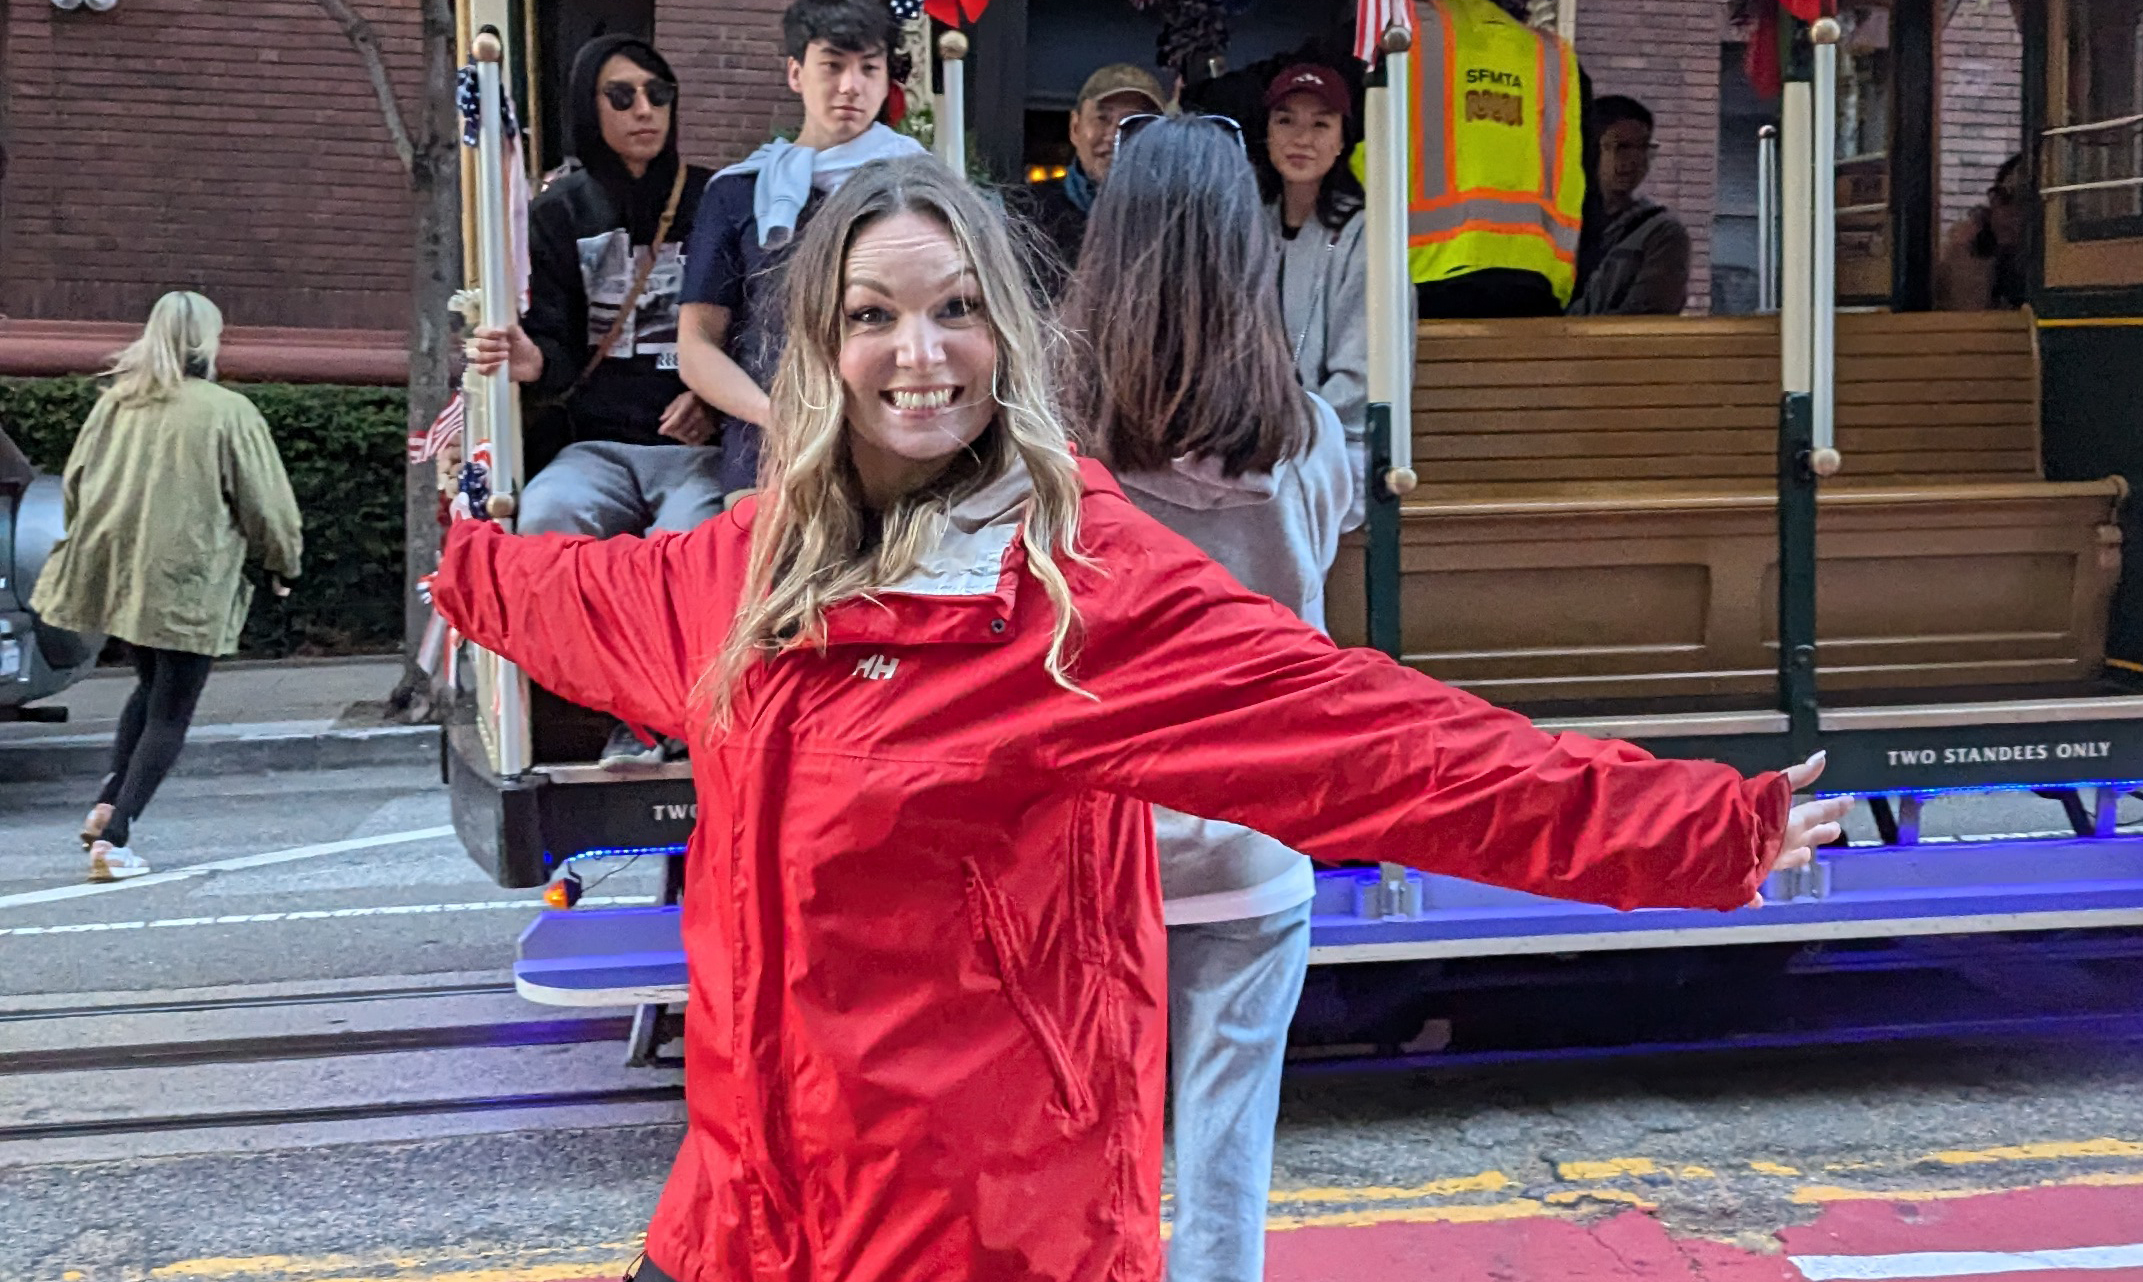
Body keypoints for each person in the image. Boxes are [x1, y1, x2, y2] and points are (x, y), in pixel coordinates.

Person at [428, 157, 1850, 1282]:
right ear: (822, 344)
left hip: (979, 1232)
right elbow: (568, 596)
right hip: (744, 1213)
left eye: (955, 308)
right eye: (874, 313)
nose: (918, 353)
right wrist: (464, 553)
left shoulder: (1073, 591)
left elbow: (1376, 741)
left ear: (1008, 332)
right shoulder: (742, 574)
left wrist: (1702, 826)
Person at [1061, 115, 1357, 1282]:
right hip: (1254, 842)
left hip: (1095, 850)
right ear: (1248, 251)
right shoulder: (1310, 436)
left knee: (1093, 1155)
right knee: (1227, 1168)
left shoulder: (1052, 442)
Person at [466, 34, 719, 768]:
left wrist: (719, 401)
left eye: (658, 92)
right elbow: (557, 344)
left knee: (694, 549)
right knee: (546, 521)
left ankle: (674, 713)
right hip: (597, 443)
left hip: (695, 449)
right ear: (589, 106)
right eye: (622, 96)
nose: (646, 110)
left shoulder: (716, 197)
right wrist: (530, 357)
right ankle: (621, 709)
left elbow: (759, 325)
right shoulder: (559, 213)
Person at [30, 292, 301, 882]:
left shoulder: (117, 404)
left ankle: (107, 808)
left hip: (120, 571)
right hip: (187, 575)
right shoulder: (227, 412)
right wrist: (284, 563)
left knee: (148, 689)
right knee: (172, 709)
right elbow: (267, 507)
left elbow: (75, 483)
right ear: (209, 339)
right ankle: (117, 837)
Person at [677, 0, 926, 498]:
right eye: (832, 66)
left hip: (899, 452)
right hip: (770, 457)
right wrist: (776, 416)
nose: (851, 86)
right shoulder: (736, 193)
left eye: (869, 68)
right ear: (796, 72)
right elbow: (696, 344)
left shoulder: (925, 188)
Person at [1362, 0, 1587, 318]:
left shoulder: (1398, 35)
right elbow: (1584, 180)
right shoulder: (1553, 57)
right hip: (1533, 286)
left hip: (1417, 282)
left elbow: (1358, 152)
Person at [1258, 62, 1367, 450]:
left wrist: (1289, 431)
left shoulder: (1364, 235)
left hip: (1338, 446)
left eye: (1321, 125)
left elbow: (1361, 379)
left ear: (1342, 140)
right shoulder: (1247, 227)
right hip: (1252, 444)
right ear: (1267, 133)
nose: (1302, 138)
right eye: (1286, 121)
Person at [1026, 61, 1169, 274]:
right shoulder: (1027, 215)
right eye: (1102, 118)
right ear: (1075, 128)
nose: (1114, 136)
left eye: (1134, 123)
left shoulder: (1173, 221)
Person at [1570, 96, 1692, 315]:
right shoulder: (1559, 223)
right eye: (1621, 146)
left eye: (1643, 148)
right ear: (1591, 149)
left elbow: (1647, 320)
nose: (1635, 159)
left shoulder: (1661, 233)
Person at [1935, 154, 2033, 311]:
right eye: (2002, 199)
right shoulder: (1968, 247)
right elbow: (1970, 317)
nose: (2007, 213)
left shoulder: (2043, 264)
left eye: (2021, 203)